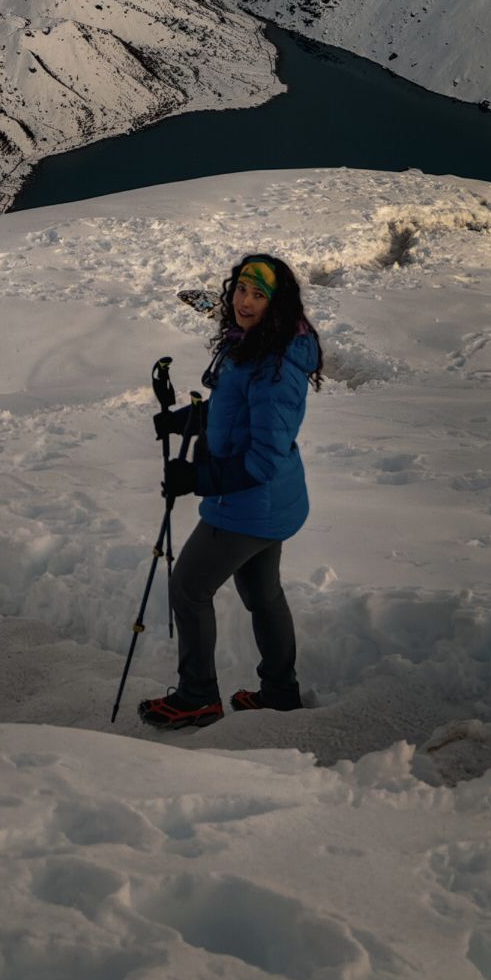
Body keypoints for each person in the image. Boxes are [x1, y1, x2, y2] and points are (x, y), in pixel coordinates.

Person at [138, 254, 322, 731]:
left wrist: (197, 480)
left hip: (248, 505)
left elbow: (261, 458)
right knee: (263, 594)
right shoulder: (258, 345)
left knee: (189, 589)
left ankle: (198, 696)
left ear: (277, 305)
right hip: (270, 503)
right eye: (242, 288)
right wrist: (182, 421)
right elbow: (234, 413)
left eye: (259, 295)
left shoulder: (275, 366)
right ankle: (280, 693)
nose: (244, 301)